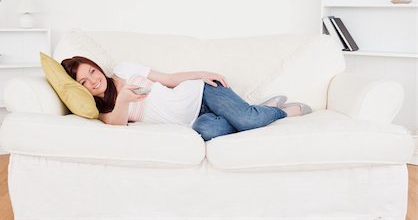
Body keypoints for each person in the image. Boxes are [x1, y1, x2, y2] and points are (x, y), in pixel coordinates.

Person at [61, 56, 312, 141]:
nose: (93, 80)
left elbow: (169, 79)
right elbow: (116, 125)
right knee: (208, 130)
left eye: (92, 71)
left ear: (96, 66)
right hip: (195, 122)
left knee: (246, 121)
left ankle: (284, 111)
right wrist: (124, 99)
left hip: (201, 93)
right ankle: (258, 110)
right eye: (84, 82)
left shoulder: (124, 69)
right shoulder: (102, 110)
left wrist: (202, 73)